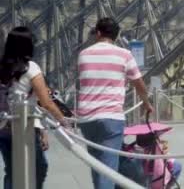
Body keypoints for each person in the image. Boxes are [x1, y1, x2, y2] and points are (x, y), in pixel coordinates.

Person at [78, 18, 154, 189]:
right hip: (110, 117)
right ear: (117, 35)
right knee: (108, 169)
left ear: (97, 33)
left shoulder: (84, 54)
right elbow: (139, 83)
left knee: (97, 165)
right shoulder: (124, 54)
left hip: (86, 118)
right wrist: (146, 103)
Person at [0, 27, 68, 189]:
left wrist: (42, 130)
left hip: (3, 126)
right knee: (39, 167)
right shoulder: (31, 67)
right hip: (23, 127)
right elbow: (46, 103)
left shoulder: (2, 66)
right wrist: (63, 120)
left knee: (11, 170)